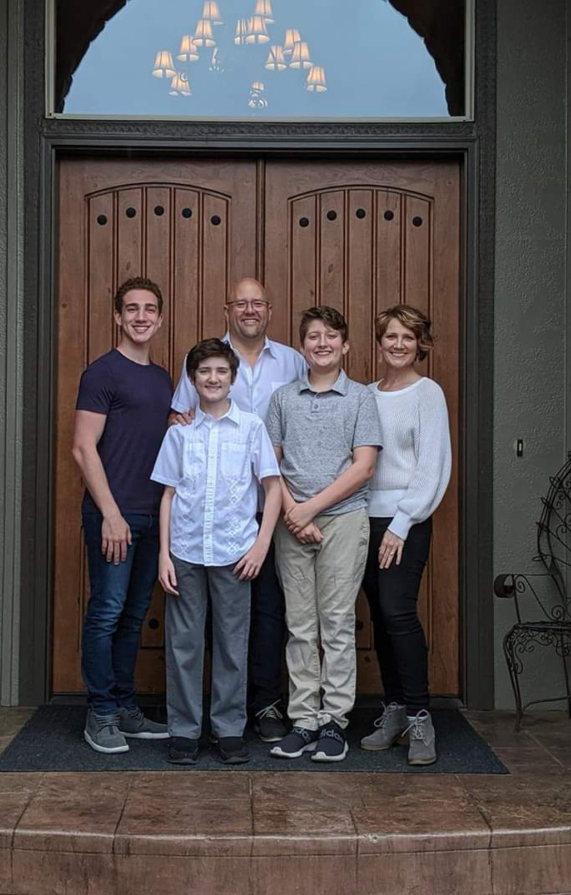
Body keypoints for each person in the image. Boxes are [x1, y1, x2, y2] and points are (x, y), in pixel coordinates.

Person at [169, 278, 306, 743]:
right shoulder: (204, 359)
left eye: (257, 303)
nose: (249, 310)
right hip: (203, 521)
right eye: (240, 303)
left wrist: (278, 519)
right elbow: (179, 422)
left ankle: (262, 706)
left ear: (269, 309)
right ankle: (190, 726)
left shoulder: (292, 361)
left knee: (263, 616)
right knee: (195, 632)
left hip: (268, 511)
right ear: (228, 309)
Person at [153, 338, 282, 765]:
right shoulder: (181, 434)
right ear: (193, 380)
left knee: (232, 645)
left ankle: (228, 729)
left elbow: (271, 488)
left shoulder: (251, 428)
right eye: (204, 372)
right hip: (186, 552)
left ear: (233, 378)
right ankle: (184, 730)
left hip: (235, 554)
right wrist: (164, 555)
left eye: (221, 372)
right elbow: (168, 496)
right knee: (184, 645)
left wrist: (261, 545)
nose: (213, 379)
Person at [265, 306, 382, 763]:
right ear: (302, 346)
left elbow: (364, 466)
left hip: (344, 519)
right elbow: (269, 463)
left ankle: (334, 722)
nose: (322, 343)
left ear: (345, 345)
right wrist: (294, 513)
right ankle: (303, 720)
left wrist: (311, 509)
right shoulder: (282, 399)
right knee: (300, 625)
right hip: (291, 520)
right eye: (313, 337)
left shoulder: (359, 399)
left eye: (331, 336)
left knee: (335, 624)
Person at [72, 277, 172, 754]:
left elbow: (154, 432)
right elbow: (83, 447)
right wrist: (112, 515)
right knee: (107, 613)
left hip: (154, 516)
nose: (140, 316)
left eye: (149, 309)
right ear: (117, 317)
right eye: (131, 309)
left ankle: (126, 707)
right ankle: (101, 712)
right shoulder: (102, 373)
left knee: (133, 616)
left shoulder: (161, 378)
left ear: (159, 317)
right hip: (114, 515)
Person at [360, 305, 451, 766]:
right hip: (363, 519)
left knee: (398, 614)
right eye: (391, 336)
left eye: (408, 338)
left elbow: (431, 468)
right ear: (379, 343)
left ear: (420, 345)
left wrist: (400, 524)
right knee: (378, 617)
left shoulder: (427, 394)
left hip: (405, 523)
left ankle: (420, 717)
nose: (398, 344)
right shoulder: (365, 395)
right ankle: (394, 709)